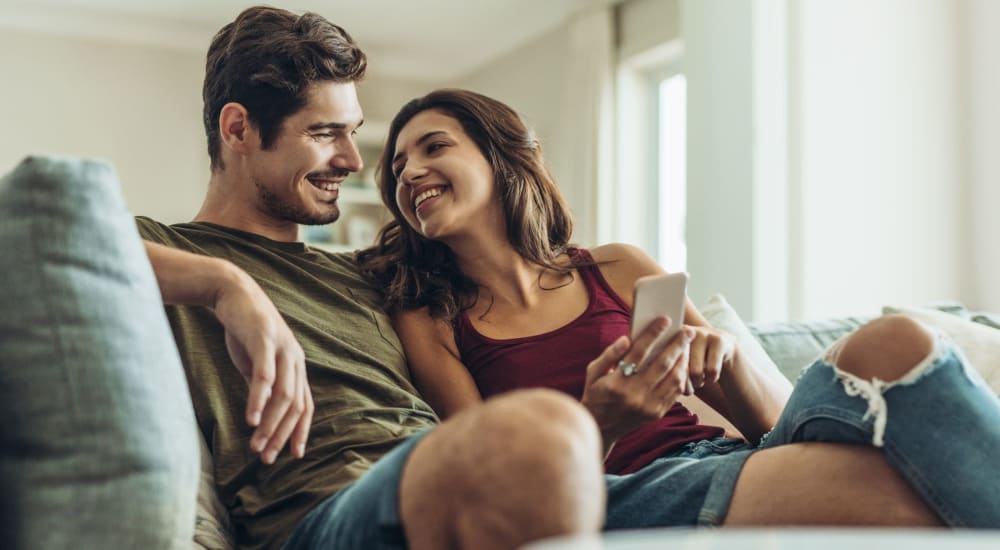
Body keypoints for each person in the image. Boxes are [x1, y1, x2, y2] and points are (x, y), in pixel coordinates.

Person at [357, 88, 1000, 530]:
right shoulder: (430, 317)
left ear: (502, 159)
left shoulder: (617, 266)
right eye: (398, 165)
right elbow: (497, 486)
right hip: (618, 491)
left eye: (433, 148)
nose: (408, 172)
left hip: (725, 455)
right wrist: (598, 421)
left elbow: (773, 428)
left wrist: (723, 360)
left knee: (895, 340)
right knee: (903, 482)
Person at [138, 7, 608, 550]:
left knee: (719, 483)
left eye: (353, 132)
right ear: (238, 129)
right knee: (544, 430)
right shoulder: (168, 252)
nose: (352, 161)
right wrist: (228, 286)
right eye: (324, 133)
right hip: (323, 512)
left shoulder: (374, 276)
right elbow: (36, 239)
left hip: (438, 474)